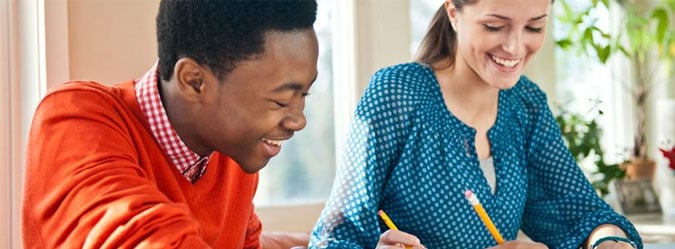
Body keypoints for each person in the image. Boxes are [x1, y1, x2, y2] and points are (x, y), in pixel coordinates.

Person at [309, 0, 642, 248]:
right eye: (495, 26)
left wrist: (610, 241)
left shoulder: (526, 106)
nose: (514, 47)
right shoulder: (397, 94)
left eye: (534, 27)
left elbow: (579, 212)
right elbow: (335, 237)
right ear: (453, 12)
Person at [23, 1, 319, 248]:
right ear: (194, 81)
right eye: (280, 101)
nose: (298, 120)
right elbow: (143, 238)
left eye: (303, 95)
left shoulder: (233, 154)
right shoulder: (72, 119)